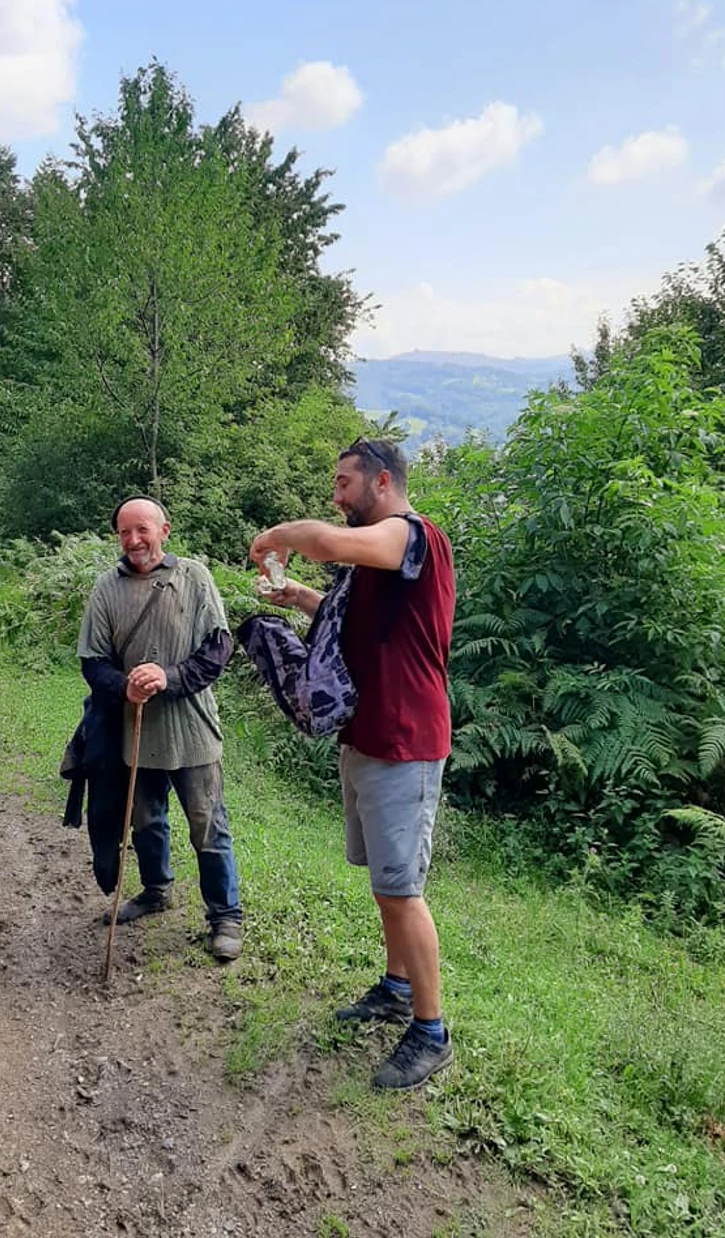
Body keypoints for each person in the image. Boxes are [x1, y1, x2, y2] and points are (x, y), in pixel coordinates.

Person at [249, 438, 455, 1088]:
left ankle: (431, 1030)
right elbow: (357, 626)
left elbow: (328, 541)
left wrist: (275, 536)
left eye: (344, 483)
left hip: (405, 740)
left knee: (401, 887)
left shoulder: (413, 536)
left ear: (382, 481)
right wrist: (302, 598)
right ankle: (396, 988)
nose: (335, 497)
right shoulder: (378, 559)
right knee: (385, 884)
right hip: (366, 737)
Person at [77, 496, 243, 961]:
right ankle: (156, 890)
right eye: (125, 532)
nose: (134, 540)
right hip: (135, 733)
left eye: (142, 529)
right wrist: (123, 687)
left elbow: (218, 649)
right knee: (146, 820)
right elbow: (92, 661)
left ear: (164, 530)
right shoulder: (106, 589)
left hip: (193, 731)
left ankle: (225, 916)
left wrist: (169, 678)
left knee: (208, 825)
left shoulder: (194, 577)